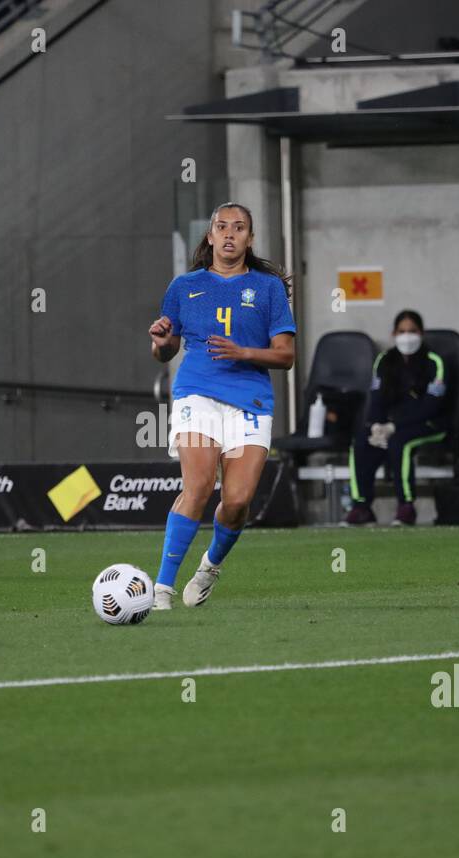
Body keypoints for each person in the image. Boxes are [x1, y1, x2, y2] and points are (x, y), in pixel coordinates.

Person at [148, 202, 296, 610]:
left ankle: (210, 566)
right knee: (196, 488)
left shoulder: (267, 289)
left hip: (250, 400)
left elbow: (286, 356)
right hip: (197, 394)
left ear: (250, 239)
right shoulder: (184, 286)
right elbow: (167, 350)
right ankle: (161, 589)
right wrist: (161, 343)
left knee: (236, 502)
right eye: (222, 227)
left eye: (239, 227)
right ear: (210, 236)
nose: (230, 234)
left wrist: (244, 352)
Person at [342, 310, 448, 527]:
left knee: (401, 444)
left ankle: (406, 506)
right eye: (402, 331)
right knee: (361, 442)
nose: (407, 336)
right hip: (389, 425)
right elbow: (376, 398)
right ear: (393, 333)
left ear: (421, 333)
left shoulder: (434, 362)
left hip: (430, 424)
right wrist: (375, 426)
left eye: (412, 331)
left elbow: (431, 406)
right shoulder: (384, 360)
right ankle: (361, 506)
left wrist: (394, 425)